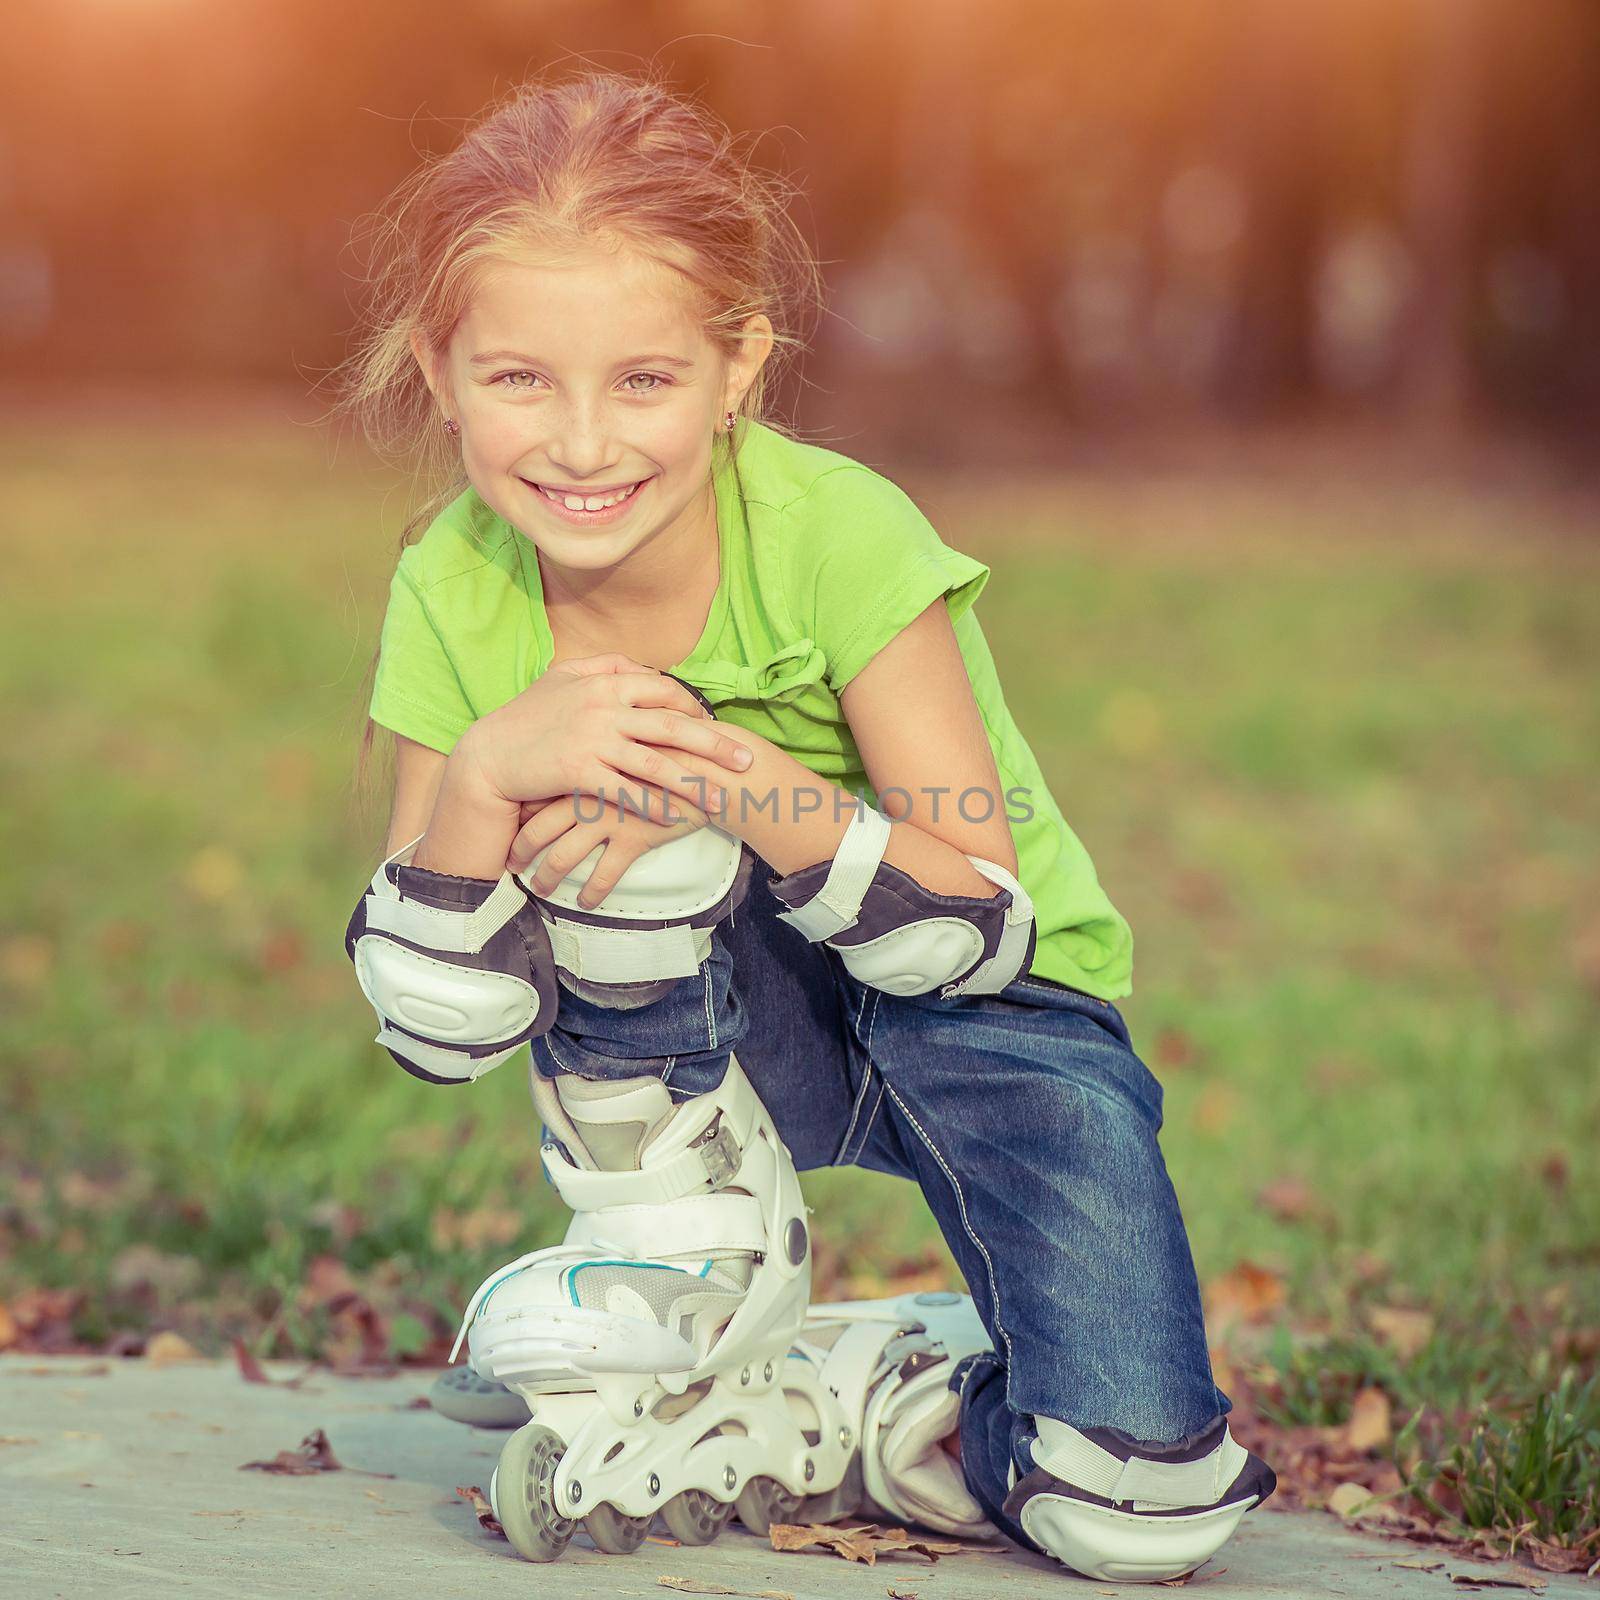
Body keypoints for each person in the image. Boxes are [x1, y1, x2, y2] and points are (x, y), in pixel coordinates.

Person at [334, 68, 1275, 1582]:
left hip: (999, 1023)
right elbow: (436, 1025)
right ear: (438, 370)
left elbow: (975, 915)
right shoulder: (454, 582)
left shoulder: (842, 529)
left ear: (738, 367)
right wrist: (482, 778)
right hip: (714, 1028)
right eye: (518, 379)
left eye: (643, 380)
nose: (580, 445)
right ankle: (687, 1261)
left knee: (1134, 1509)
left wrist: (718, 772)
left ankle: (879, 1393)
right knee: (593, 816)